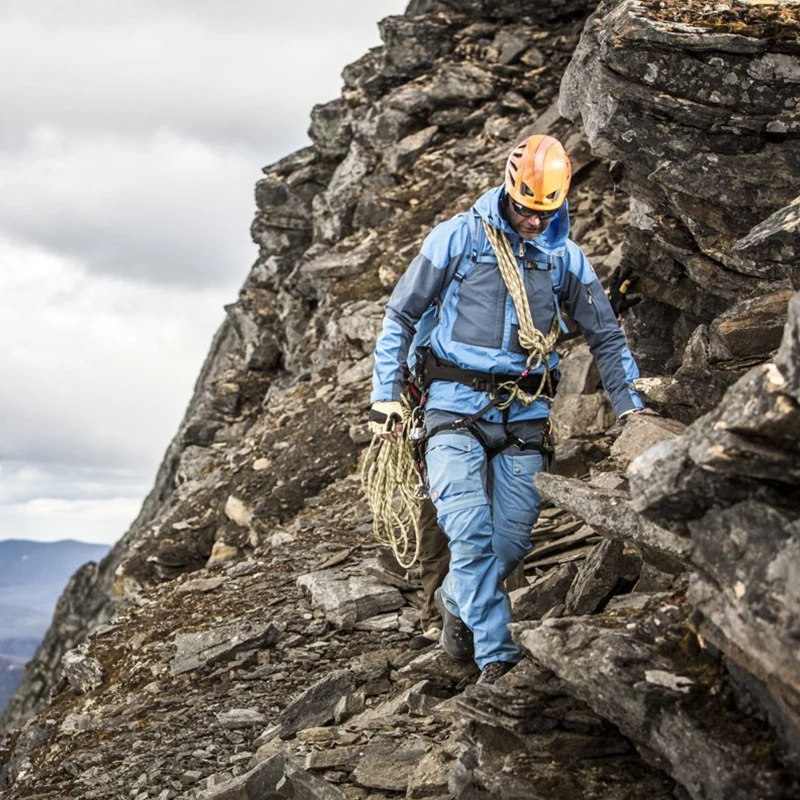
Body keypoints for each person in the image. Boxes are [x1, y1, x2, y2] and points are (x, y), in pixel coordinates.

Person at [368, 134, 647, 684]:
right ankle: (496, 659)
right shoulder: (457, 238)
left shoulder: (564, 259)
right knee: (468, 532)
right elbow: (400, 316)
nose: (533, 221)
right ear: (507, 189)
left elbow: (607, 339)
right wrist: (385, 395)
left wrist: (631, 409)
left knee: (509, 544)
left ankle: (455, 601)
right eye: (524, 208)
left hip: (524, 415)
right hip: (452, 408)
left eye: (545, 212)